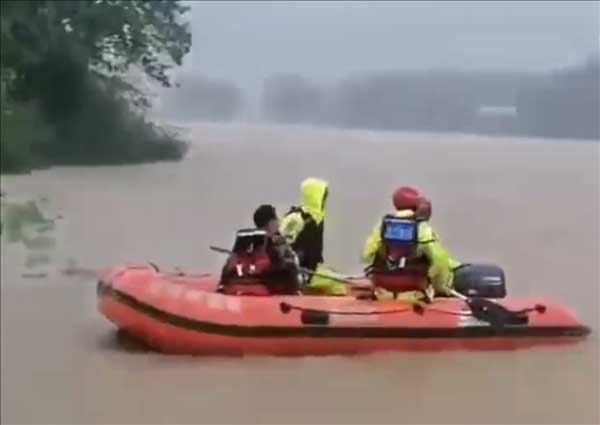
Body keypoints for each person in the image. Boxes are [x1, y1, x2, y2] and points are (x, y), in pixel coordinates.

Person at [362, 186, 460, 301]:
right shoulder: (423, 228)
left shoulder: (382, 226)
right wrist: (441, 288)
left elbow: (366, 255)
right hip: (413, 291)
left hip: (384, 290)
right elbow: (440, 261)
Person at [280, 178, 348, 295]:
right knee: (338, 285)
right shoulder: (295, 218)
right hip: (297, 272)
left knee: (335, 276)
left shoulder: (317, 220)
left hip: (311, 270)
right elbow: (279, 244)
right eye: (323, 196)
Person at [219, 204, 300, 294]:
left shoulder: (247, 239)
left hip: (239, 283)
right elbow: (291, 263)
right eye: (276, 219)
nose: (278, 222)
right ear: (271, 223)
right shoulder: (277, 241)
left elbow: (229, 265)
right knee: (290, 270)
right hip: (266, 285)